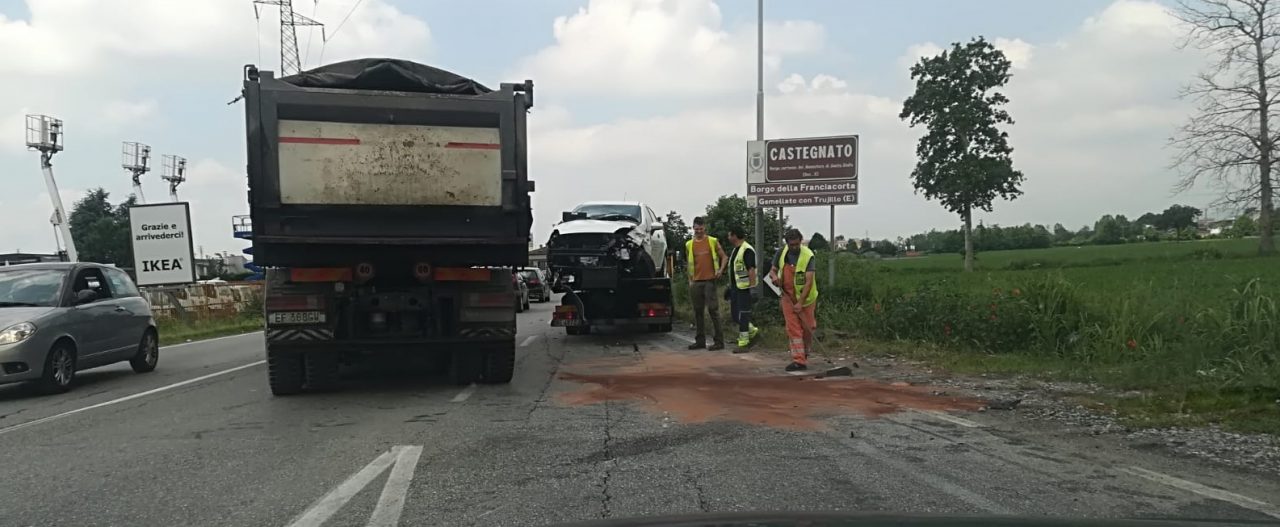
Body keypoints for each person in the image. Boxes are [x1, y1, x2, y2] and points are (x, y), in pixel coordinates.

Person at [769, 229, 819, 371]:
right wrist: (774, 278)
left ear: (801, 241)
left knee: (808, 327)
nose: (795, 247)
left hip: (806, 299)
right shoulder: (781, 253)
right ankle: (799, 360)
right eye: (792, 245)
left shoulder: (808, 256)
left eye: (797, 244)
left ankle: (805, 352)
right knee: (793, 329)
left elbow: (809, 282)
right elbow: (772, 270)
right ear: (787, 243)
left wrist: (800, 303)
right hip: (787, 297)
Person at [685, 216, 729, 350]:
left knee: (713, 310)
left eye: (701, 229)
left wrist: (721, 270)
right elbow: (689, 263)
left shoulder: (712, 241)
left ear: (705, 228)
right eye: (696, 229)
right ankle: (700, 340)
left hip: (709, 280)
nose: (699, 231)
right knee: (698, 311)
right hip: (696, 281)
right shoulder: (689, 244)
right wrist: (690, 281)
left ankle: (719, 341)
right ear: (693, 228)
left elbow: (724, 257)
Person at [726, 226, 760, 351]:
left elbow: (751, 269)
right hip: (736, 287)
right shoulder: (736, 250)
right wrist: (730, 286)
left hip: (745, 288)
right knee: (735, 315)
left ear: (735, 235)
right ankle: (753, 332)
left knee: (743, 315)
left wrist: (752, 288)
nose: (728, 237)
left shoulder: (747, 250)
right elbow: (735, 270)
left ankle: (744, 342)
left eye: (729, 235)